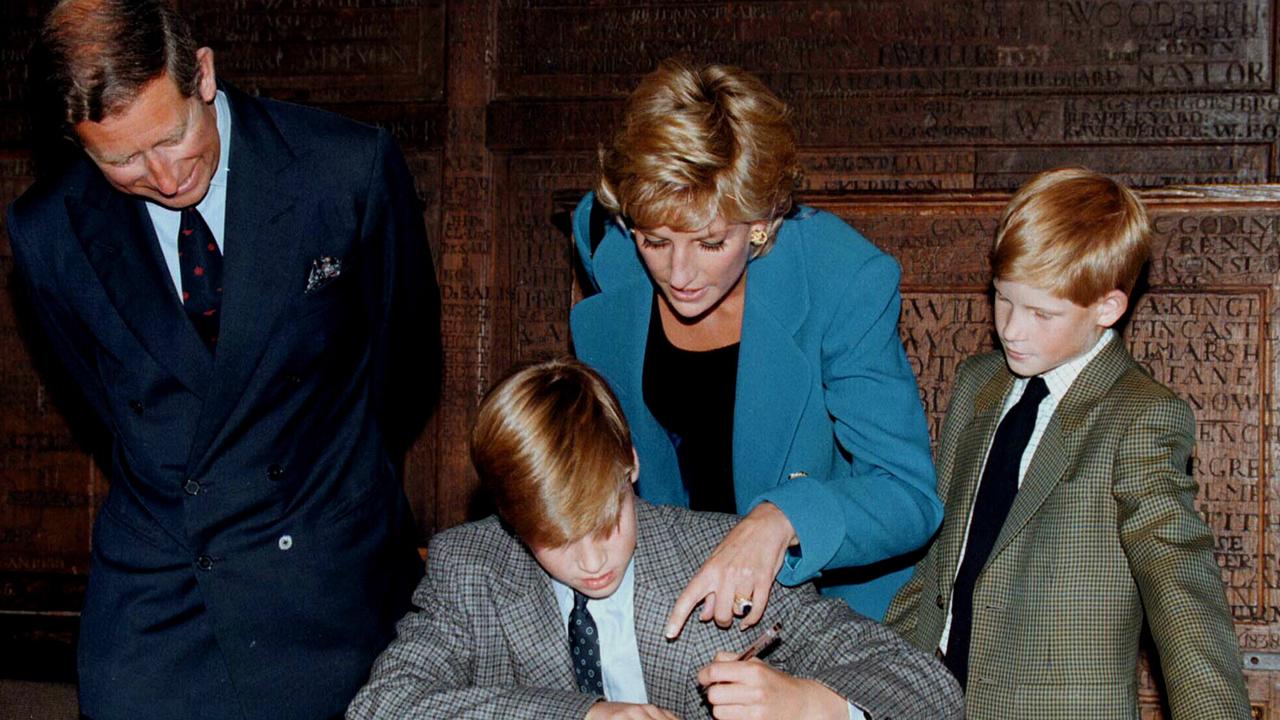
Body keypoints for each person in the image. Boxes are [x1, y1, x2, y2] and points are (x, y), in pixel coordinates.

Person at [6, 1, 439, 718]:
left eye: (172, 137)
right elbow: (101, 395)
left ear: (202, 73)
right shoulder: (48, 229)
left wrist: (322, 478)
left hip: (323, 560)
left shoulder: (345, 169)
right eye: (121, 161)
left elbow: (407, 365)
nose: (165, 175)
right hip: (163, 580)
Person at [348, 358, 961, 719]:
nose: (592, 562)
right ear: (510, 518)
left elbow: (930, 690)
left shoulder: (719, 558)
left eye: (607, 522)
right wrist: (584, 716)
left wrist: (811, 704)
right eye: (555, 541)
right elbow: (382, 706)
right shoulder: (469, 568)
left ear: (631, 464)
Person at [570, 57, 940, 627]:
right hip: (670, 598)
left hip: (827, 608)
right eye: (656, 241)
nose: (680, 273)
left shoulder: (841, 280)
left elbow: (908, 494)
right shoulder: (614, 252)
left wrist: (780, 518)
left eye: (711, 242)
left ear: (763, 220)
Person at [884, 167, 1250, 718]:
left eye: (1041, 313)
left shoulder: (1141, 416)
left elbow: (1179, 582)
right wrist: (878, 672)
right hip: (932, 696)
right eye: (1003, 299)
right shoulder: (977, 384)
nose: (1011, 329)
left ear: (1107, 308)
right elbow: (943, 557)